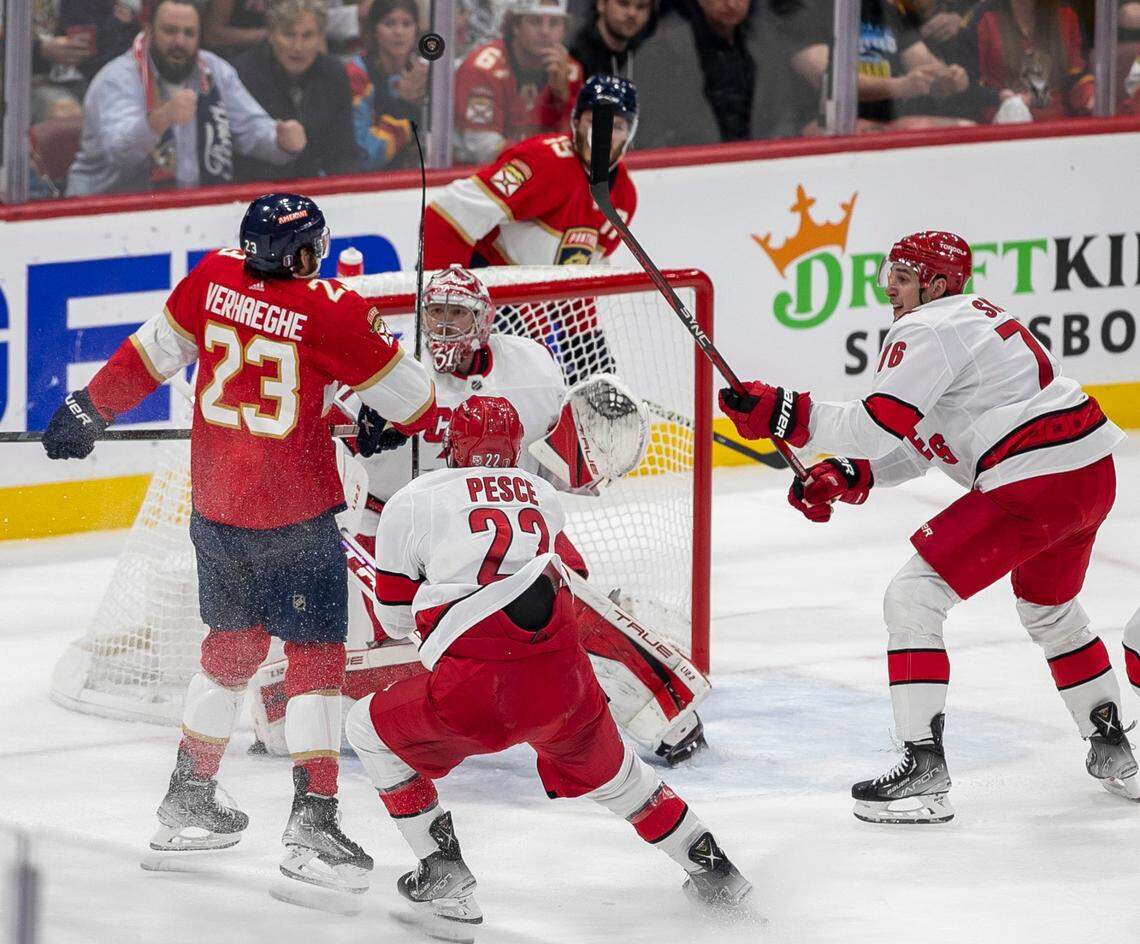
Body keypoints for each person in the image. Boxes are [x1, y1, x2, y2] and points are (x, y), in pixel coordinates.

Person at [40, 193, 438, 892]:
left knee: (231, 647)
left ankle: (189, 795)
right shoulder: (332, 309)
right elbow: (417, 403)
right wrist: (374, 404)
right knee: (315, 658)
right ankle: (314, 820)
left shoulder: (214, 277)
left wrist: (86, 409)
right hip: (294, 516)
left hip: (218, 510)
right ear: (300, 253)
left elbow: (149, 355)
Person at [718, 231, 1134, 823]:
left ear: (937, 284)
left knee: (914, 597)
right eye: (891, 272)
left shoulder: (928, 326)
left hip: (1033, 480)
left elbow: (874, 424)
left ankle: (922, 767)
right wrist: (846, 474)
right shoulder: (969, 323)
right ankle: (1113, 744)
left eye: (905, 276)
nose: (890, 285)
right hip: (1090, 475)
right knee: (1050, 611)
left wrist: (785, 410)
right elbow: (918, 445)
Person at [342, 395, 751, 928]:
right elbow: (570, 576)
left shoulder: (413, 499)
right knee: (624, 780)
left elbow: (396, 621)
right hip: (563, 676)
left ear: (451, 446)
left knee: (365, 728)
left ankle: (442, 868)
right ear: (516, 449)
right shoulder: (542, 495)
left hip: (475, 684)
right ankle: (715, 870)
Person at [66, 0, 307, 196]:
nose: (180, 42)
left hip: (189, 209)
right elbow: (119, 154)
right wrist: (161, 118)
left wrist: (281, 140)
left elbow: (252, 130)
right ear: (149, 30)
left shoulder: (215, 71)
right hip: (105, 210)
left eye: (189, 33)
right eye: (170, 31)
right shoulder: (116, 79)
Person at [425, 74, 637, 270]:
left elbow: (579, 279)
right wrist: (446, 295)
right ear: (575, 122)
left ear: (629, 134)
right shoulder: (542, 162)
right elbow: (448, 213)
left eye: (617, 127)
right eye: (594, 122)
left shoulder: (624, 197)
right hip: (486, 288)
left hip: (530, 305)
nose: (604, 135)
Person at [633, 0, 820, 147]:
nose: (731, 4)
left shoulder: (765, 50)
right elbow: (648, 130)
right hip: (689, 173)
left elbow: (784, 113)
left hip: (758, 169)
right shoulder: (662, 53)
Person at [791, 0, 973, 131]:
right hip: (825, 123)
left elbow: (925, 63)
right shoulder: (801, 10)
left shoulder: (886, 10)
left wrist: (951, 77)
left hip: (890, 121)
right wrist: (902, 86)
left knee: (967, 130)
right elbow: (831, 83)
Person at [233, 0, 360, 182]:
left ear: (320, 37)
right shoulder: (242, 74)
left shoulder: (334, 73)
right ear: (270, 35)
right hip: (254, 189)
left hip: (312, 188)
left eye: (307, 36)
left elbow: (343, 151)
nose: (298, 47)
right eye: (288, 35)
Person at [452, 0, 584, 164]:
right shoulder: (481, 68)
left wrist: (563, 98)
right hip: (478, 179)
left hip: (542, 173)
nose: (545, 31)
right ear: (515, 26)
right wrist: (545, 161)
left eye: (554, 23)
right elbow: (483, 148)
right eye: (535, 21)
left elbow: (580, 142)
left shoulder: (570, 70)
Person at [957, 0, 1093, 123]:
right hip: (1000, 128)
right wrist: (1001, 97)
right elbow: (967, 87)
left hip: (1059, 129)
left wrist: (1090, 96)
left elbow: (1077, 77)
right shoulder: (980, 17)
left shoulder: (1066, 14)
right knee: (1015, 109)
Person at [344, 0, 428, 171]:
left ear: (416, 29)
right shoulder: (356, 74)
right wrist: (406, 106)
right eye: (389, 23)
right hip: (368, 183)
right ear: (374, 30)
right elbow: (365, 156)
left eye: (407, 24)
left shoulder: (426, 73)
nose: (399, 32)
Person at [569, 0, 655, 79]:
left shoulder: (647, 55)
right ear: (602, 4)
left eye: (641, 7)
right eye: (623, 4)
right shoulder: (575, 56)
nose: (632, 13)